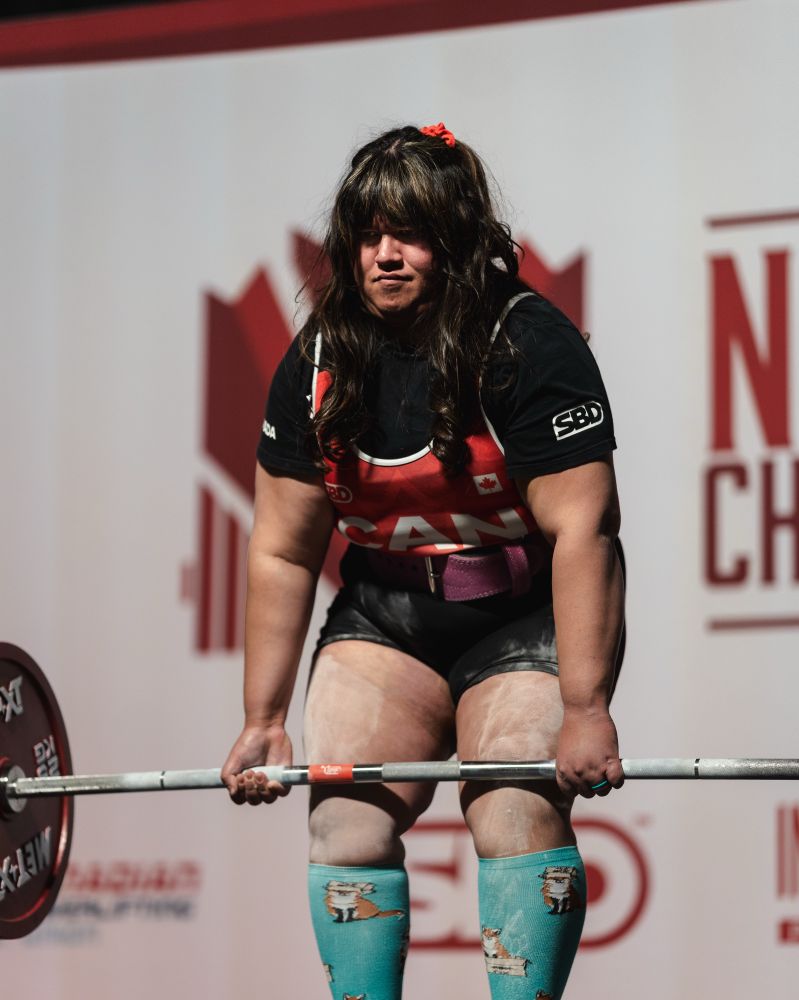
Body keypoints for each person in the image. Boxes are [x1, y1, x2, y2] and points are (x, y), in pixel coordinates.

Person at [222, 122, 625, 1000]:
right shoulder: (317, 363)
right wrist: (262, 717)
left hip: (518, 621)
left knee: (513, 810)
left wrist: (585, 708)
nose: (385, 256)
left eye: (408, 235)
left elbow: (585, 532)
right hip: (386, 621)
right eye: (368, 236)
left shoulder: (526, 343)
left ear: (456, 240)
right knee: (345, 833)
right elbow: (284, 550)